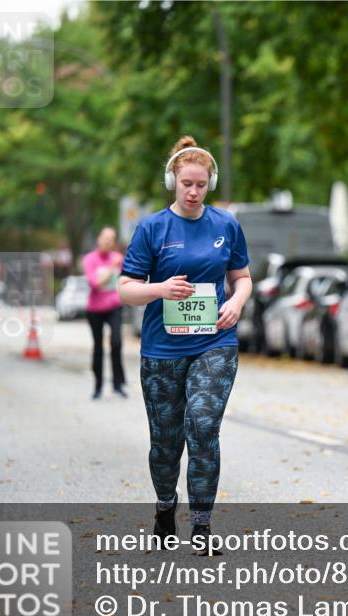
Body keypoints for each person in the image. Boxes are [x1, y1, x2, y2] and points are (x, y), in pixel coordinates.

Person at [118, 136, 251, 554]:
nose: (193, 192)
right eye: (186, 184)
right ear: (172, 182)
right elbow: (125, 290)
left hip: (215, 343)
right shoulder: (152, 228)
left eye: (201, 184)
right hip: (162, 350)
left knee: (204, 426)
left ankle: (202, 528)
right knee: (166, 440)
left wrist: (237, 303)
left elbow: (242, 277)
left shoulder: (226, 225)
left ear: (210, 183)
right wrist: (159, 289)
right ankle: (164, 507)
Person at [83, 227, 127, 399]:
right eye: (105, 238)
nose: (108, 242)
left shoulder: (118, 258)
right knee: (98, 347)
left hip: (114, 306)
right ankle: (98, 385)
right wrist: (111, 268)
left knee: (116, 342)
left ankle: (118, 384)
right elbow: (95, 283)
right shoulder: (89, 259)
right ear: (98, 239)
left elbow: (127, 278)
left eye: (111, 239)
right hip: (94, 309)